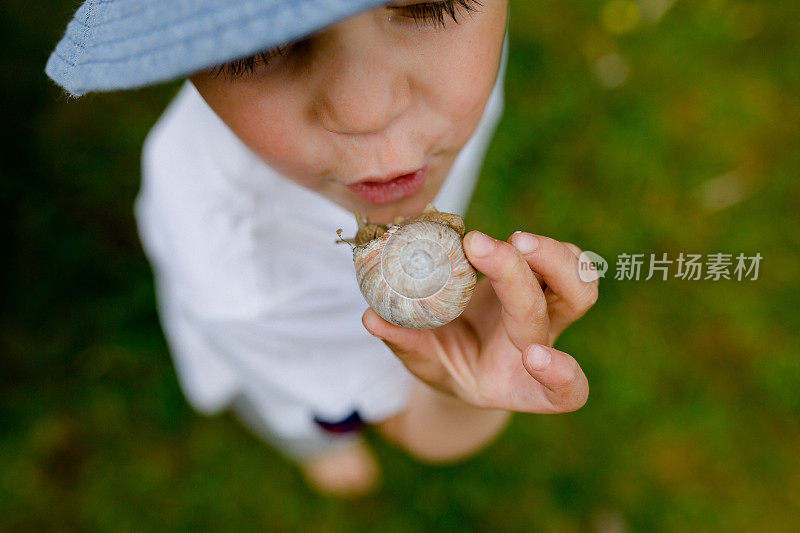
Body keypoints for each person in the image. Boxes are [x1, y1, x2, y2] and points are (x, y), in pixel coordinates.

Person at [46, 0, 597, 497]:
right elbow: (415, 423)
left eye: (433, 5)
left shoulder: (431, 107)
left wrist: (465, 378)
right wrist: (452, 396)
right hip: (267, 349)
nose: (367, 111)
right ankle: (321, 450)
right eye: (254, 47)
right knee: (314, 415)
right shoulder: (247, 286)